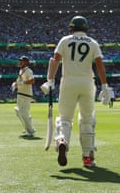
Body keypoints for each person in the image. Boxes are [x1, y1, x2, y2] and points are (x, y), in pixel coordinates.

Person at [41, 16, 112, 167]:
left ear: (71, 27)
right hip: (87, 83)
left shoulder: (65, 40)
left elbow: (55, 60)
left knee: (65, 118)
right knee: (87, 120)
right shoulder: (92, 43)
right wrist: (105, 86)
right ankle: (87, 157)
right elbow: (99, 64)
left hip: (68, 82)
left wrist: (50, 80)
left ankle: (62, 140)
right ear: (86, 27)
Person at [11, 56, 36, 137]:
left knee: (24, 113)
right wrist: (16, 84)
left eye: (21, 61)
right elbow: (19, 80)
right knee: (18, 111)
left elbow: (32, 81)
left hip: (26, 95)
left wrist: (23, 82)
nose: (20, 62)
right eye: (19, 61)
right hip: (20, 93)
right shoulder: (21, 70)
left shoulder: (29, 71)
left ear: (26, 62)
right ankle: (27, 128)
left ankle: (31, 131)